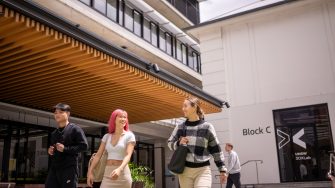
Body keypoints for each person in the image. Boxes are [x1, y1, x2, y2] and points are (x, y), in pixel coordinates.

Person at [167, 97, 227, 188]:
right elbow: (170, 143)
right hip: (185, 172)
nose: (183, 109)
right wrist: (178, 143)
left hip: (203, 171)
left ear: (194, 107)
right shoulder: (180, 127)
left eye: (185, 106)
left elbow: (216, 149)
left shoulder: (207, 127)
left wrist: (222, 170)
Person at [87, 109, 136, 188]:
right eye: (120, 117)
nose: (123, 119)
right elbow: (98, 155)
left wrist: (119, 169)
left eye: (125, 117)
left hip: (123, 174)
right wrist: (90, 172)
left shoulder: (129, 136)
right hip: (107, 174)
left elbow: (128, 155)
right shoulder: (107, 137)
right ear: (114, 119)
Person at [45, 103, 89, 188]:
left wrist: (65, 149)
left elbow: (84, 146)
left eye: (60, 112)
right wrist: (51, 151)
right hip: (54, 168)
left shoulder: (75, 129)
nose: (57, 114)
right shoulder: (54, 133)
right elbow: (54, 148)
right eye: (55, 113)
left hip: (69, 169)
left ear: (68, 114)